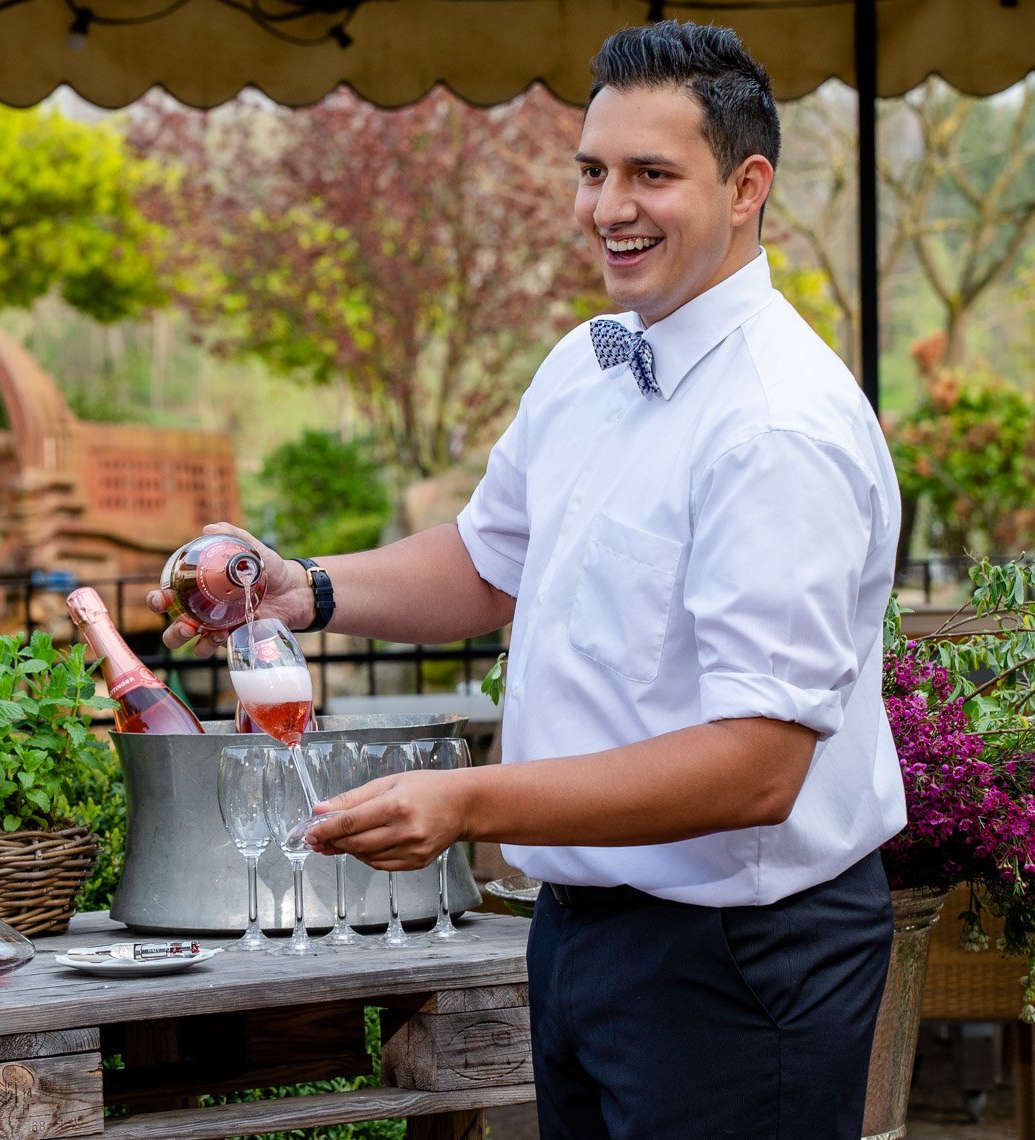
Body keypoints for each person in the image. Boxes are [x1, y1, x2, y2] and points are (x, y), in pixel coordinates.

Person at [150, 20, 905, 1139]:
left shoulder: (778, 423)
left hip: (743, 960)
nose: (610, 206)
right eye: (593, 172)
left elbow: (756, 769)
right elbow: (487, 567)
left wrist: (465, 803)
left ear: (749, 187)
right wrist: (291, 586)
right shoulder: (583, 368)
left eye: (653, 174)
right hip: (580, 935)